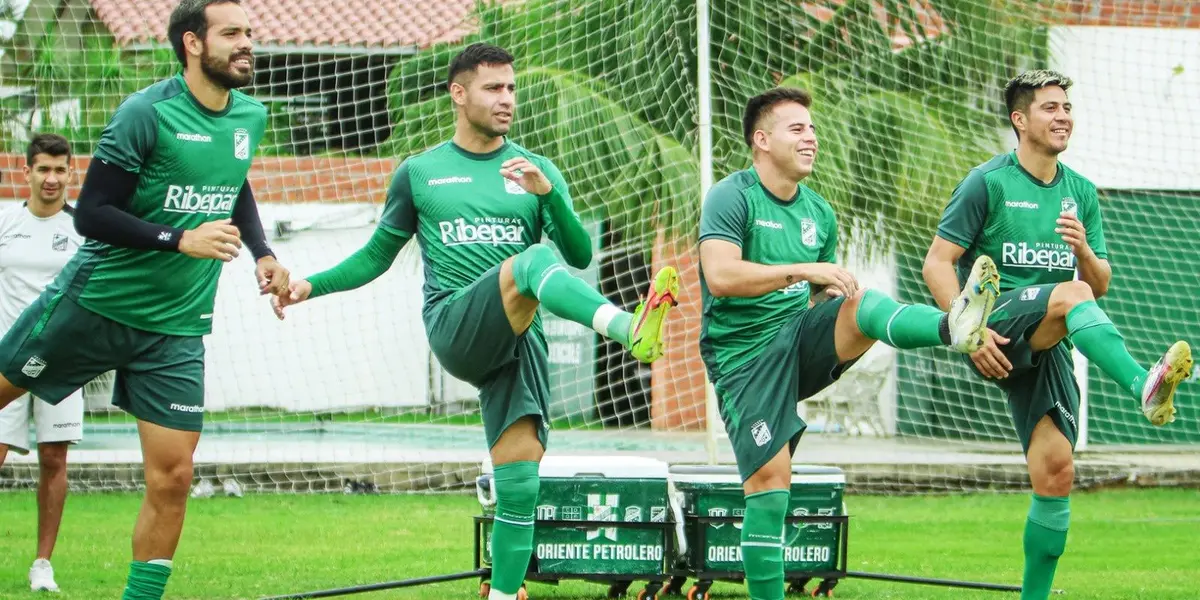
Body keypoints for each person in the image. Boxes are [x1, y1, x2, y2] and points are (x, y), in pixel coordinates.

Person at [272, 43, 679, 600]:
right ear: (458, 94)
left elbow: (582, 255)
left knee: (519, 483)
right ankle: (627, 327)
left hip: (518, 341)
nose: (507, 98)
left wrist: (550, 195)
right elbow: (374, 257)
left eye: (511, 87)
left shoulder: (536, 170)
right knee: (532, 262)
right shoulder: (420, 173)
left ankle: (504, 594)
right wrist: (308, 285)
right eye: (493, 88)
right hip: (456, 325)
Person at [0, 1, 290, 598]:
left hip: (178, 327)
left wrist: (262, 252)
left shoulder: (250, 117)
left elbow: (233, 185)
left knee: (174, 476)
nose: (247, 44)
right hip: (97, 305)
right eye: (231, 33)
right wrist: (180, 238)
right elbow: (94, 215)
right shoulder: (144, 113)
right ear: (191, 43)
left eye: (249, 33)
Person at [697, 87, 1001, 600]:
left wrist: (819, 291)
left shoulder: (819, 212)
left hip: (797, 337)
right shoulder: (733, 195)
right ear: (761, 139)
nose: (811, 137)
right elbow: (720, 276)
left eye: (812, 129)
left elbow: (816, 300)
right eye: (797, 129)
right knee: (770, 488)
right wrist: (802, 270)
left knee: (861, 305)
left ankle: (953, 326)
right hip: (743, 357)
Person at [922, 69, 1192, 600]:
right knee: (1070, 296)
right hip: (993, 321)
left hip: (1048, 338)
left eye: (1066, 106)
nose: (1062, 115)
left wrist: (1085, 252)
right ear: (1019, 120)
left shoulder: (1081, 192)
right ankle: (1143, 383)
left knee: (1056, 473)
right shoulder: (988, 182)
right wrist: (965, 332)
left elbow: (1100, 283)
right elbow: (938, 262)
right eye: (1049, 107)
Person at [0, 133, 85, 593]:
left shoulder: (84, 231)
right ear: (26, 172)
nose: (51, 179)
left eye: (59, 169)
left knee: (54, 459)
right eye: (43, 169)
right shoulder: (5, 223)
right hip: (6, 361)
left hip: (62, 364)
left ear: (70, 173)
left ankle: (42, 565)